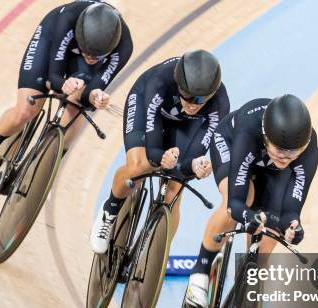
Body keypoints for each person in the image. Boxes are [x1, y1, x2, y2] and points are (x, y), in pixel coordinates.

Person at [0, 1, 133, 189]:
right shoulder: (67, 19)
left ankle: (47, 162)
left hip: (81, 62)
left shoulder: (124, 47)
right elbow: (53, 78)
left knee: (78, 105)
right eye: (87, 52)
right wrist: (63, 83)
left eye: (97, 57)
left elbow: (93, 89)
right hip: (51, 40)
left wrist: (95, 96)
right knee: (26, 111)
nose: (91, 58)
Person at [185, 94, 318, 308]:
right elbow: (236, 203)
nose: (286, 157)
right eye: (280, 150)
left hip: (271, 169)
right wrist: (247, 214)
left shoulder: (307, 149)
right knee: (240, 199)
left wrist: (293, 227)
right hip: (232, 144)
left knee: (270, 234)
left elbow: (291, 210)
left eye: (294, 152)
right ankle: (200, 273)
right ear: (266, 139)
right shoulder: (250, 130)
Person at [90, 50, 230, 254]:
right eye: (188, 97)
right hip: (147, 108)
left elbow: (196, 153)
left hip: (184, 126)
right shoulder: (161, 80)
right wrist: (160, 157)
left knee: (175, 186)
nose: (193, 104)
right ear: (180, 85)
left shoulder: (220, 104)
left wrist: (194, 166)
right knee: (140, 167)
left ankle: (155, 254)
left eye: (201, 99)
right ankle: (109, 210)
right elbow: (153, 150)